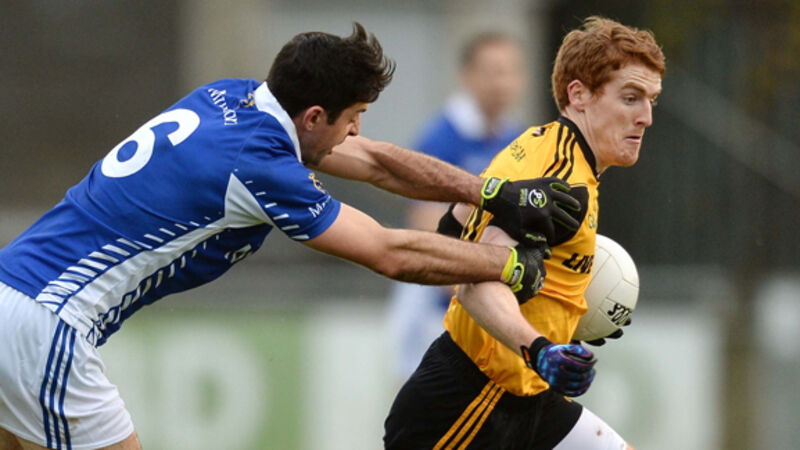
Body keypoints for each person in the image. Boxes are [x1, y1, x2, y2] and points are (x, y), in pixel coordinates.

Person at [0, 23, 581, 450]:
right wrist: (508, 265)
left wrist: (491, 192)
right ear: (314, 117)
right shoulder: (260, 166)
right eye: (353, 116)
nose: (357, 130)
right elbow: (389, 252)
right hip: (47, 327)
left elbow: (375, 162)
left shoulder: (230, 96)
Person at [384, 16, 665, 449]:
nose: (645, 117)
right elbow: (475, 284)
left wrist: (567, 308)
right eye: (630, 98)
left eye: (651, 100)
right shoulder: (561, 182)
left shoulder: (541, 143)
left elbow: (455, 224)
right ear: (578, 95)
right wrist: (539, 348)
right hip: (473, 401)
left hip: (526, 394)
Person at [387, 31, 528, 379]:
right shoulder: (441, 138)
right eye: (493, 71)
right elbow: (426, 221)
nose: (502, 82)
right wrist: (475, 286)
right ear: (467, 75)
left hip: (493, 296)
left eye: (510, 71)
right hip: (436, 305)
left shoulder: (518, 139)